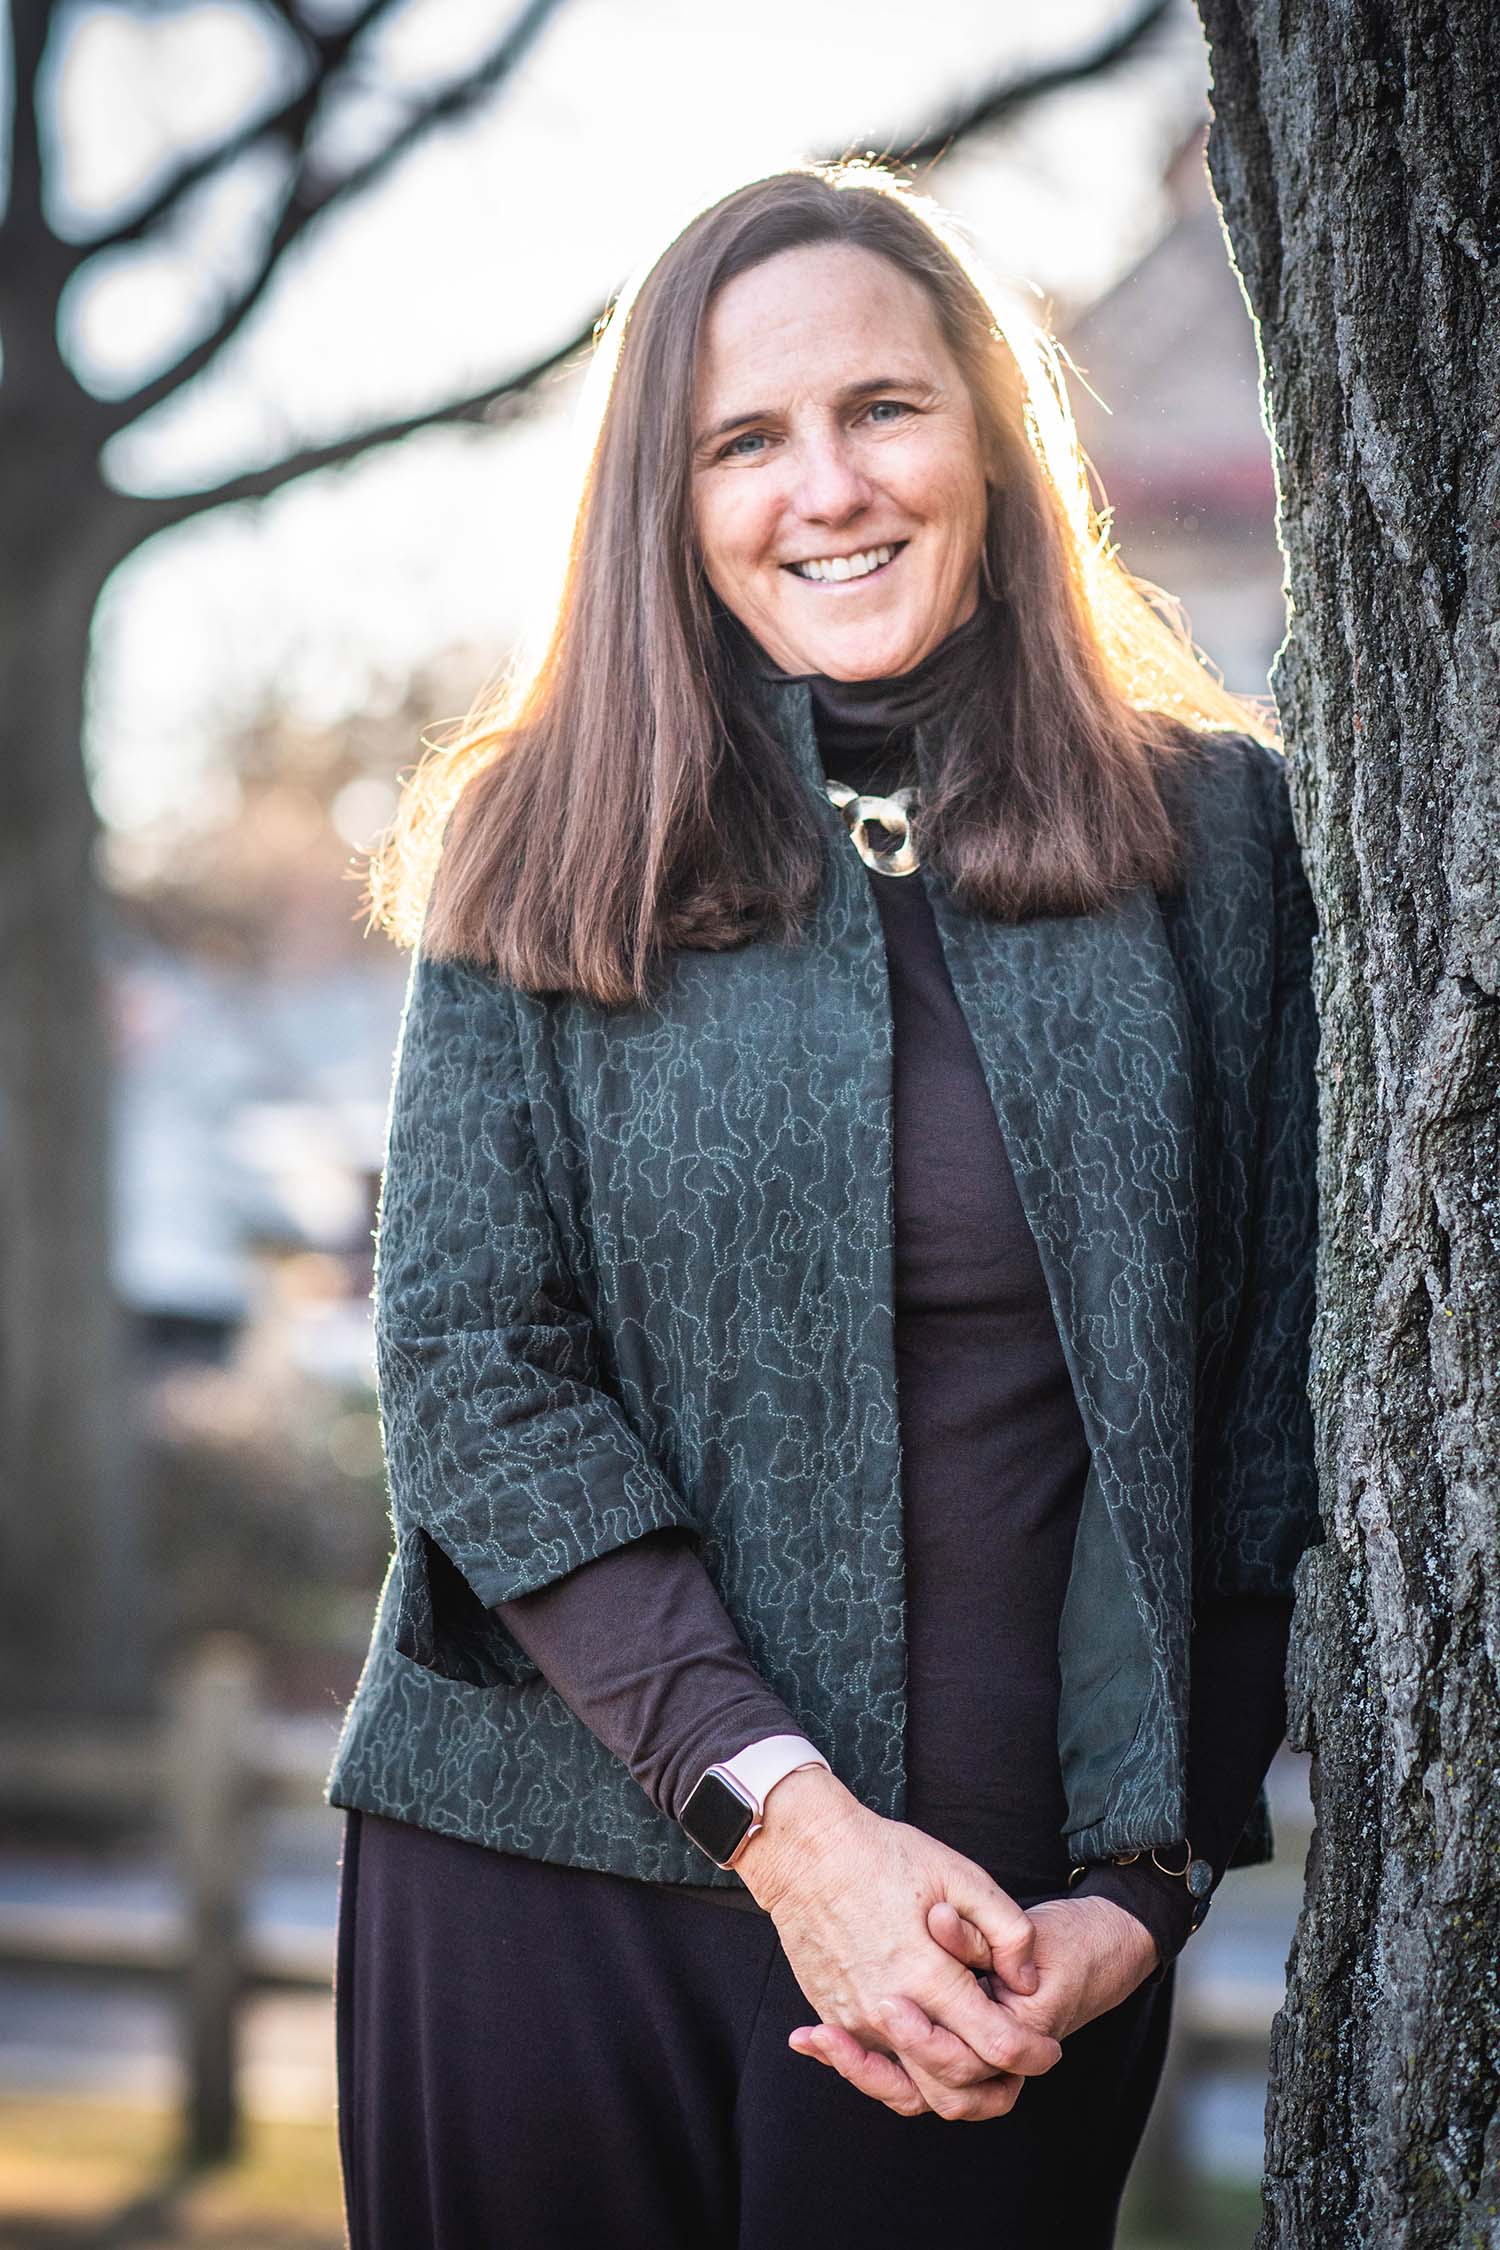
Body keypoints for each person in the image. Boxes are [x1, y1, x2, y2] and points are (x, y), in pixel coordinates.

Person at [325, 159, 1320, 2250]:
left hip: (991, 1941)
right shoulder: (543, 832)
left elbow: (1260, 1406)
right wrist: (794, 1836)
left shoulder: (1215, 836)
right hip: (537, 1878)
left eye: (883, 406)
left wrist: (1145, 1891)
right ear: (668, 505)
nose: (826, 486)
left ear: (990, 433)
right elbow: (472, 1372)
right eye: (743, 441)